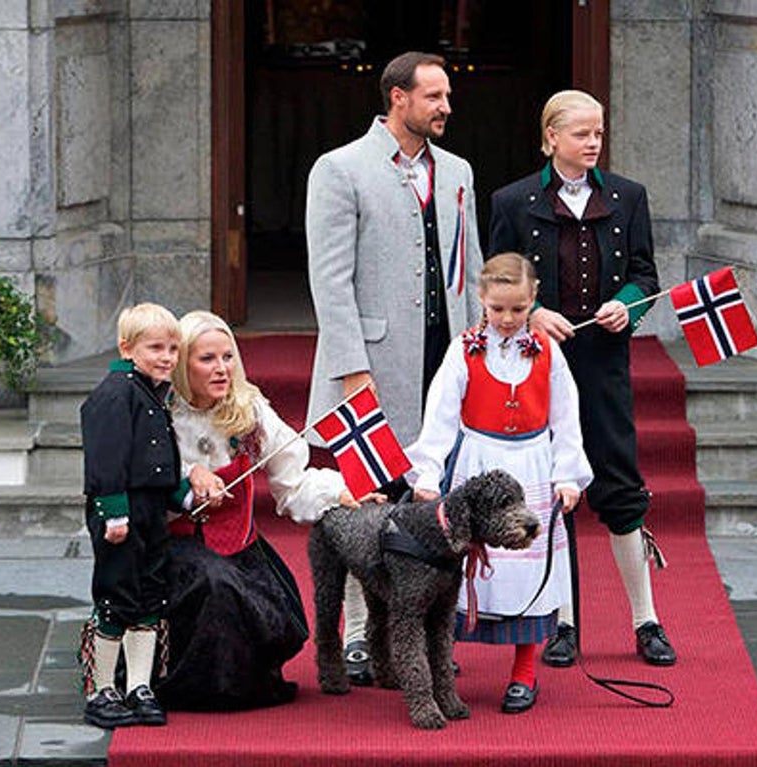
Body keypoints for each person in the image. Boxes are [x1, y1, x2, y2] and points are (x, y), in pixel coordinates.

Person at [305, 50, 482, 681]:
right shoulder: (340, 169)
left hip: (445, 357)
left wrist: (478, 351)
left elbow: (472, 270)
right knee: (365, 503)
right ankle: (357, 635)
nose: (446, 108)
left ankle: (428, 638)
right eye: (434, 97)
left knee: (431, 495)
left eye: (448, 97)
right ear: (397, 99)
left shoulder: (458, 171)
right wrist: (353, 371)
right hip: (373, 362)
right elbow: (330, 281)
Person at [488, 90, 677, 668]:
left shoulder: (627, 197)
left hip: (602, 363)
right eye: (581, 133)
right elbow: (497, 276)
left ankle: (646, 620)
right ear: (551, 138)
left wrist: (627, 303)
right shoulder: (514, 200)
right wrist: (533, 313)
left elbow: (645, 273)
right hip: (538, 364)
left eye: (598, 133)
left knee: (619, 486)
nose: (593, 142)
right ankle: (564, 622)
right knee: (553, 490)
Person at [155, 310, 371, 711]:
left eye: (228, 357)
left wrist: (341, 492)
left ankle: (243, 683)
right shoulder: (160, 413)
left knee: (250, 594)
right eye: (207, 359)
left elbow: (293, 482)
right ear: (183, 365)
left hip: (238, 543)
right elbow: (142, 485)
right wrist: (187, 480)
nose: (222, 369)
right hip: (177, 544)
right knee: (215, 584)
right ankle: (198, 687)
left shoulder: (249, 410)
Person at [406, 253, 593, 714]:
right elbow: (441, 415)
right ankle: (440, 656)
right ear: (482, 302)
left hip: (531, 463)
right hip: (477, 465)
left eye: (517, 309)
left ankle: (524, 671)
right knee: (458, 567)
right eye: (497, 310)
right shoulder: (463, 349)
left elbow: (566, 417)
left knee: (528, 569)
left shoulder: (549, 351)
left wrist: (567, 475)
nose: (507, 319)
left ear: (533, 301)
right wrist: (428, 472)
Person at [79, 302, 181, 729]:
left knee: (149, 597)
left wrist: (186, 495)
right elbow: (106, 460)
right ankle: (103, 689)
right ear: (127, 347)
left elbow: (157, 462)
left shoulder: (151, 393)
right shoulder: (115, 394)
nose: (167, 357)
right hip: (121, 513)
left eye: (173, 348)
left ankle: (140, 687)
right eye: (156, 347)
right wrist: (114, 514)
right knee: (116, 595)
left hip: (152, 511)